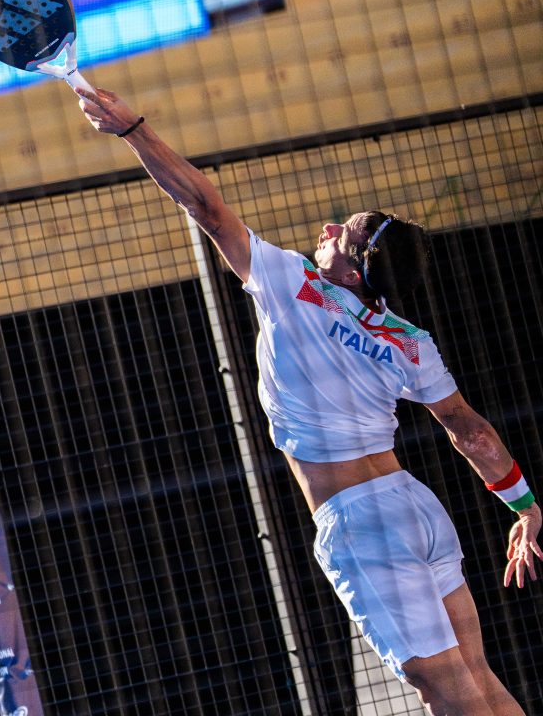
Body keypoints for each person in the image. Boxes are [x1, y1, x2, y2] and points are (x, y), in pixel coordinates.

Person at [74, 85, 542, 716]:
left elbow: (206, 206)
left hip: (363, 523)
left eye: (341, 235)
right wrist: (525, 506)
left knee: (448, 690)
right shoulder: (410, 341)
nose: (327, 228)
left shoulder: (292, 282)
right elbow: (471, 432)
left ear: (353, 272)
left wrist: (134, 130)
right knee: (475, 676)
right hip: (415, 509)